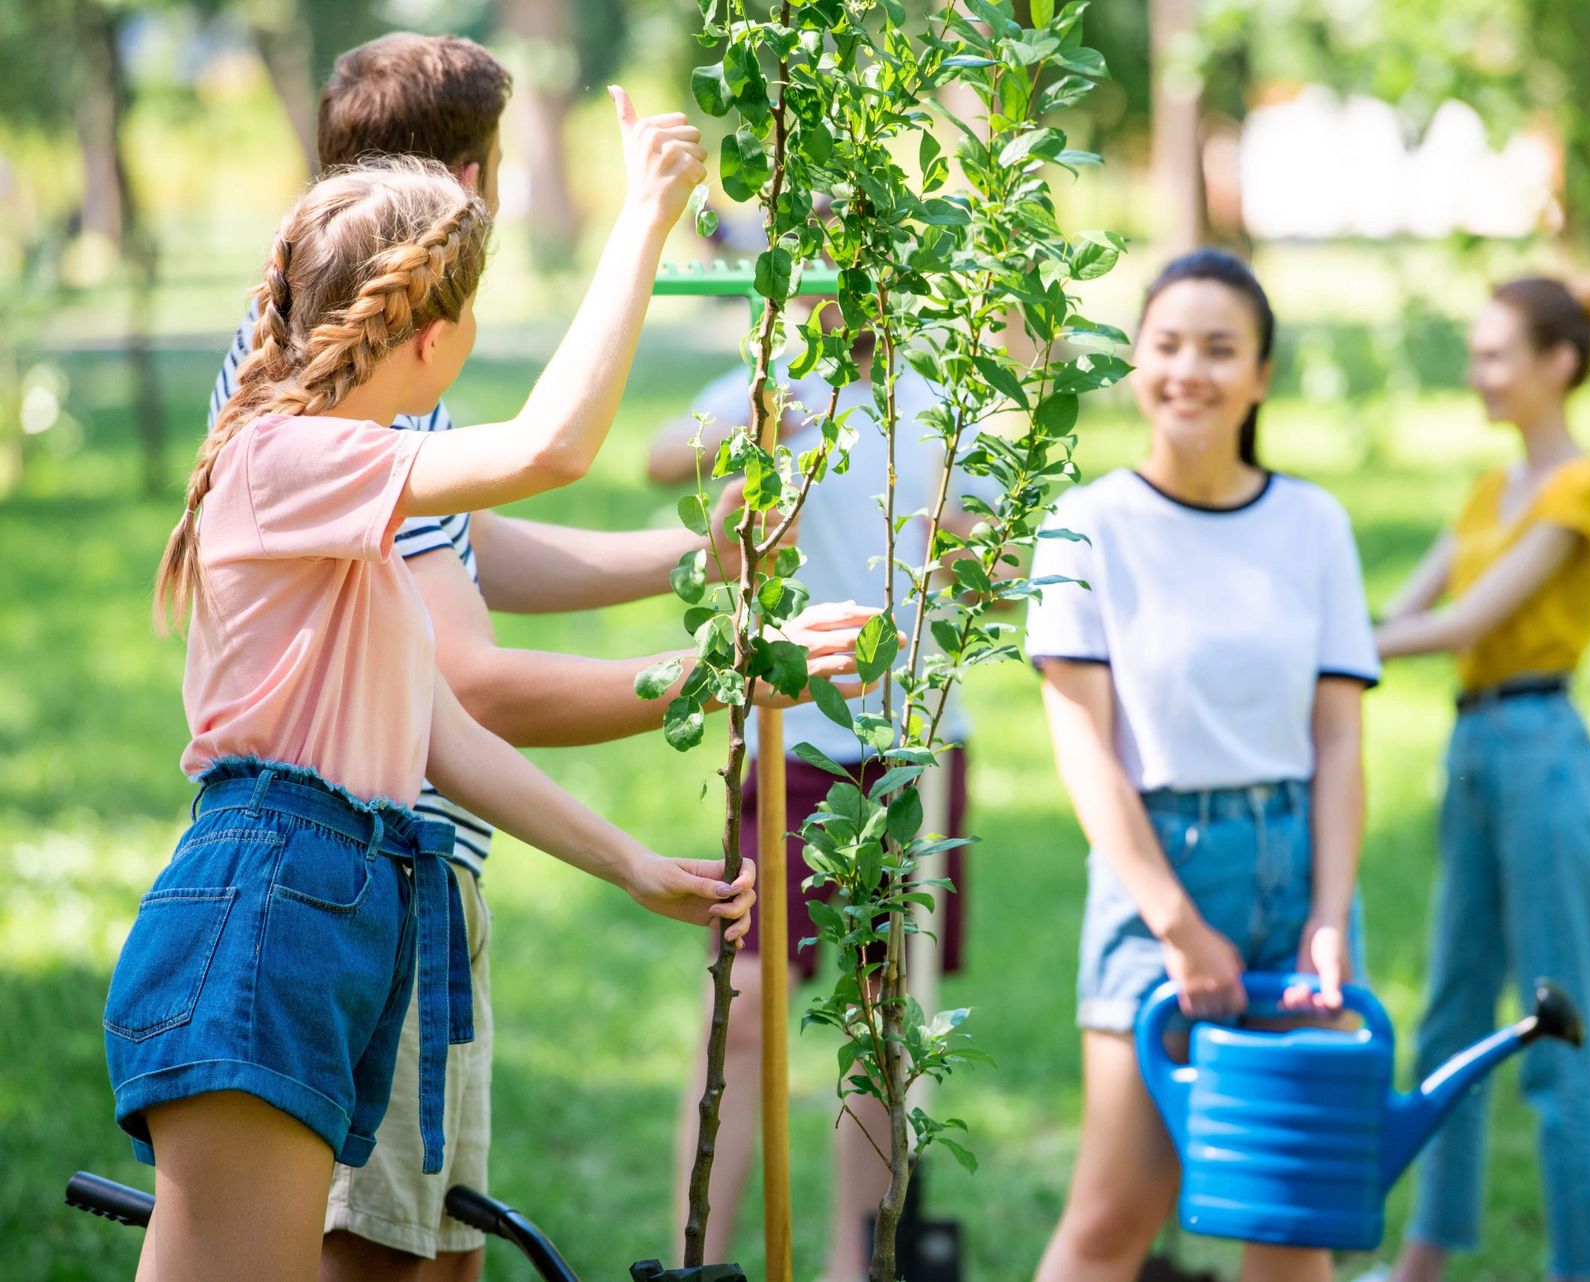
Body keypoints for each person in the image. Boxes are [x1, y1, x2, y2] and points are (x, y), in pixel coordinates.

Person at [206, 36, 870, 1281]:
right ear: (458, 200)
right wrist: (645, 221)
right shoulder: (299, 436)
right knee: (377, 1256)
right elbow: (537, 497)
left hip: (392, 873)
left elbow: (458, 626)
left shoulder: (344, 408)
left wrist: (698, 571)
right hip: (334, 882)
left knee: (436, 1254)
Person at [106, 96, 756, 1280]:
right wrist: (647, 220)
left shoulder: (353, 511)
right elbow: (553, 446)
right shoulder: (283, 456)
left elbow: (441, 730)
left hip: (345, 894)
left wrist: (632, 861)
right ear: (428, 335)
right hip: (270, 896)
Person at [1026, 249, 1378, 1282]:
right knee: (1110, 1219)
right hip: (1157, 881)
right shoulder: (1086, 523)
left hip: (1300, 871)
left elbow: (1341, 739)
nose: (1192, 371)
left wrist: (1329, 912)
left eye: (1222, 349)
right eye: (1168, 345)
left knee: (1289, 1220)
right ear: (1135, 362)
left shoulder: (1315, 522)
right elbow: (1082, 742)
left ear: (1261, 375)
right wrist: (1179, 925)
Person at [647, 330, 989, 1279]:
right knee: (747, 1000)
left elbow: (991, 565)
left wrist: (968, 557)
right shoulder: (778, 376)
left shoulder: (946, 395)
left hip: (911, 740)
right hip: (789, 734)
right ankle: (697, 1259)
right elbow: (658, 457)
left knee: (883, 1015)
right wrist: (762, 424)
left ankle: (854, 1264)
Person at [1370, 277, 1590, 1282]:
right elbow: (1406, 604)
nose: (1478, 374)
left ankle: (1589, 1272)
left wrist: (1330, 645)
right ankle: (1423, 1259)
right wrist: (1339, 637)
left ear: (1558, 364)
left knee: (1556, 1029)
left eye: (1495, 356)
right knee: (1448, 1015)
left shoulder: (1580, 490)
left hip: (1543, 749)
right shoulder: (1490, 488)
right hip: (1472, 751)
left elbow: (1464, 623)